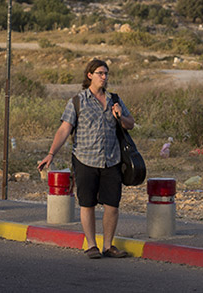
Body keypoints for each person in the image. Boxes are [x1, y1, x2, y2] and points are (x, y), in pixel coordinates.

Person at [37, 59, 134, 259]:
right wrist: (51, 153)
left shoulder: (114, 99)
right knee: (87, 203)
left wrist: (120, 116)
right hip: (85, 159)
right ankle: (91, 245)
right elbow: (64, 129)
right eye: (100, 73)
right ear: (89, 75)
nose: (104, 77)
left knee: (112, 204)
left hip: (112, 159)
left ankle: (108, 245)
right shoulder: (77, 101)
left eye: (106, 73)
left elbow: (130, 124)